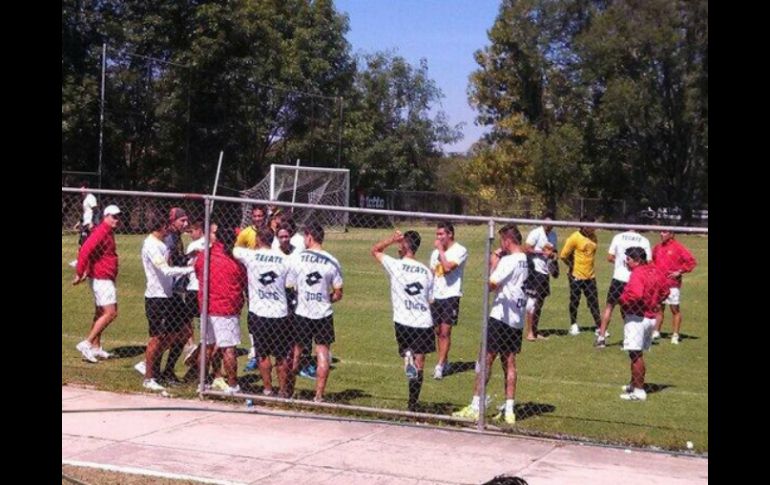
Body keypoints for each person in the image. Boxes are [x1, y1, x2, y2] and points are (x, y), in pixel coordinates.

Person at [452, 224, 528, 424]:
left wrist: (494, 262)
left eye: (502, 241)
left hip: (500, 318)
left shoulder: (509, 260)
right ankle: (510, 409)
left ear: (507, 240)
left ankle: (476, 405)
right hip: (516, 319)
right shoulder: (524, 260)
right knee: (509, 362)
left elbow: (492, 283)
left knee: (485, 358)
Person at [372, 230, 435, 411]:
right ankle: (412, 403)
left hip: (402, 320)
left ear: (403, 246)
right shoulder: (426, 271)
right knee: (420, 362)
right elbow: (431, 300)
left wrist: (391, 239)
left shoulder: (395, 265)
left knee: (408, 352)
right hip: (423, 321)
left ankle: (407, 356)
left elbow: (375, 250)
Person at [233, 227, 294, 397]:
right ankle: (283, 391)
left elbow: (235, 249)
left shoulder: (250, 255)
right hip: (279, 313)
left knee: (262, 354)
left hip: (258, 312)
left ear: (258, 239)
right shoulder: (284, 259)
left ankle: (267, 389)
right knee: (281, 356)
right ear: (273, 239)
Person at [287, 222, 343, 402]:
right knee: (322, 354)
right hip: (323, 313)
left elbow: (290, 285)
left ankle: (289, 390)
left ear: (310, 237)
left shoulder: (298, 257)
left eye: (305, 237)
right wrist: (325, 298)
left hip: (302, 312)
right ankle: (318, 395)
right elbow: (338, 293)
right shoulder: (331, 260)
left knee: (296, 352)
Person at [139, 218, 194, 391]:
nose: (170, 231)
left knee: (185, 331)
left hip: (170, 295)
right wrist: (193, 268)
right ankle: (149, 376)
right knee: (157, 338)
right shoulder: (151, 245)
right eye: (167, 227)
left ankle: (167, 371)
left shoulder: (162, 244)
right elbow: (166, 270)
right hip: (157, 298)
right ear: (161, 227)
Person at [195, 226, 246, 395]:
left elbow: (197, 272)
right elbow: (242, 281)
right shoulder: (235, 261)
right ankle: (232, 385)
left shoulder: (204, 256)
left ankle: (201, 382)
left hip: (207, 307)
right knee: (228, 348)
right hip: (226, 309)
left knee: (206, 346)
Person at [617, 247, 670, 401]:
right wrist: (654, 302)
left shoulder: (637, 273)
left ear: (637, 260)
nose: (626, 262)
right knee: (636, 353)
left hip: (637, 317)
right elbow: (665, 291)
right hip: (650, 317)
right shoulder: (655, 270)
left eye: (628, 259)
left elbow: (636, 294)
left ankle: (639, 391)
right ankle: (634, 384)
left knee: (635, 354)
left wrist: (622, 300)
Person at [72, 204, 122, 363]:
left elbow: (93, 254)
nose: (117, 219)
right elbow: (86, 249)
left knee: (100, 312)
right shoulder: (101, 231)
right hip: (102, 278)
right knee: (111, 313)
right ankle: (87, 343)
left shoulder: (107, 231)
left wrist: (85, 271)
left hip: (103, 277)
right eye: (114, 216)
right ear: (105, 216)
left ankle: (96, 347)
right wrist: (80, 272)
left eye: (118, 216)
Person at [595, 219, 651, 348]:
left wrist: (620, 262)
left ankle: (601, 338)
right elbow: (648, 262)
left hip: (618, 278)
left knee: (609, 307)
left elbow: (609, 257)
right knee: (630, 310)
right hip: (634, 280)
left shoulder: (618, 237)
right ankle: (629, 339)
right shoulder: (644, 240)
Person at [429, 222, 468, 379]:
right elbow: (433, 273)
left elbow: (447, 268)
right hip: (436, 296)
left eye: (441, 234)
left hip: (451, 296)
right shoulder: (434, 254)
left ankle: (440, 365)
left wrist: (440, 250)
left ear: (450, 234)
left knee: (445, 332)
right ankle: (444, 361)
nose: (438, 238)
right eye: (437, 234)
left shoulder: (460, 250)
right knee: (438, 331)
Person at [161, 207, 192, 383]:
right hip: (170, 291)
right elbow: (168, 264)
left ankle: (167, 370)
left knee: (183, 331)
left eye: (187, 221)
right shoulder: (170, 239)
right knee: (172, 333)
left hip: (177, 290)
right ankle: (154, 366)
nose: (185, 224)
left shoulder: (177, 237)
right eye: (182, 221)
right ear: (173, 221)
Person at [236, 204, 267, 372]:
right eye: (255, 216)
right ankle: (255, 350)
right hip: (250, 280)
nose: (257, 219)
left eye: (260, 216)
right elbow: (237, 252)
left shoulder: (271, 231)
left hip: (269, 280)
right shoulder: (245, 233)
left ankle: (268, 351)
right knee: (253, 312)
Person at [652, 230, 697, 345]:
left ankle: (675, 334)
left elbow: (691, 262)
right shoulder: (657, 247)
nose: (661, 234)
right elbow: (652, 262)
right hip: (658, 284)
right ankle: (656, 331)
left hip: (672, 284)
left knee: (674, 309)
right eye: (661, 232)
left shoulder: (678, 247)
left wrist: (680, 271)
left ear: (672, 234)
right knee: (658, 308)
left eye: (665, 232)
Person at [559, 216, 601, 335]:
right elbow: (563, 255)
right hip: (576, 275)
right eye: (590, 226)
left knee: (594, 302)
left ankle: (599, 326)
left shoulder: (594, 237)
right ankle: (573, 324)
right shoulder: (574, 238)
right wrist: (571, 266)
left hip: (590, 276)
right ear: (583, 226)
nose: (593, 229)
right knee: (575, 301)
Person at [522, 213, 558, 341]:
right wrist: (543, 252)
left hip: (545, 271)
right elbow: (526, 248)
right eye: (547, 222)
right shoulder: (536, 233)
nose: (549, 225)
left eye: (551, 223)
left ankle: (535, 330)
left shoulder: (553, 235)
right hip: (535, 270)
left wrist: (553, 257)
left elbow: (554, 252)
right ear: (543, 222)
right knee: (532, 300)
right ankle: (529, 332)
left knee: (540, 302)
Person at [78, 181, 98, 246]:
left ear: (87, 189)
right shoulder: (85, 199)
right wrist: (79, 222)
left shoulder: (91, 197)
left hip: (89, 224)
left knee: (87, 243)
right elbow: (86, 212)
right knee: (82, 242)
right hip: (85, 223)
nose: (82, 192)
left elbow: (95, 211)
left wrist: (92, 222)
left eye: (83, 190)